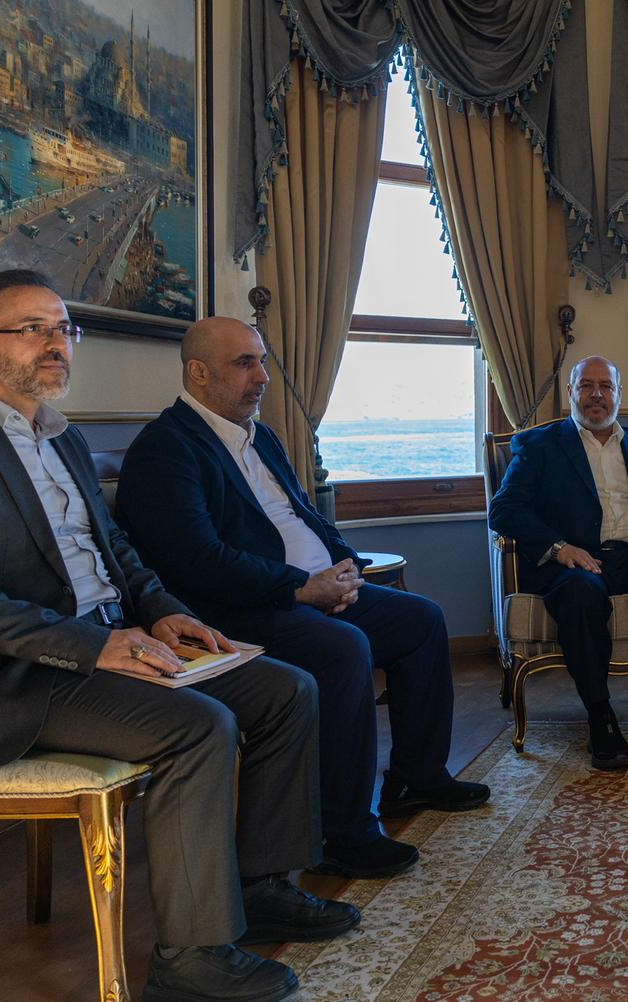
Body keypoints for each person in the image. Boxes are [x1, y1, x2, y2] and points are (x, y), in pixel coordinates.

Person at [0, 270, 356, 1002]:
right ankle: (191, 961)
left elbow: (119, 550)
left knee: (284, 690)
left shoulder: (62, 438)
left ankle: (261, 886)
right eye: (32, 329)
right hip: (11, 676)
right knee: (198, 727)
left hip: (112, 640)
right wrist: (91, 647)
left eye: (63, 328)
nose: (56, 344)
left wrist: (164, 609)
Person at [115, 317, 488, 881]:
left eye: (262, 361)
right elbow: (197, 560)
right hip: (238, 609)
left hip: (308, 590)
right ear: (198, 372)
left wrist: (346, 566)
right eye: (245, 363)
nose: (262, 377)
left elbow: (306, 515)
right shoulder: (166, 449)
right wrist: (300, 588)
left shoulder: (261, 437)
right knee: (343, 648)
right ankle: (345, 831)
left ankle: (416, 777)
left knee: (421, 620)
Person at [488, 355, 628, 771]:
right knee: (579, 595)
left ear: (619, 394)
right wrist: (559, 548)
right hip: (575, 561)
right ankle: (600, 715)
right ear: (570, 393)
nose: (597, 395)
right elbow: (504, 510)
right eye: (587, 386)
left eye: (606, 386)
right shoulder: (540, 446)